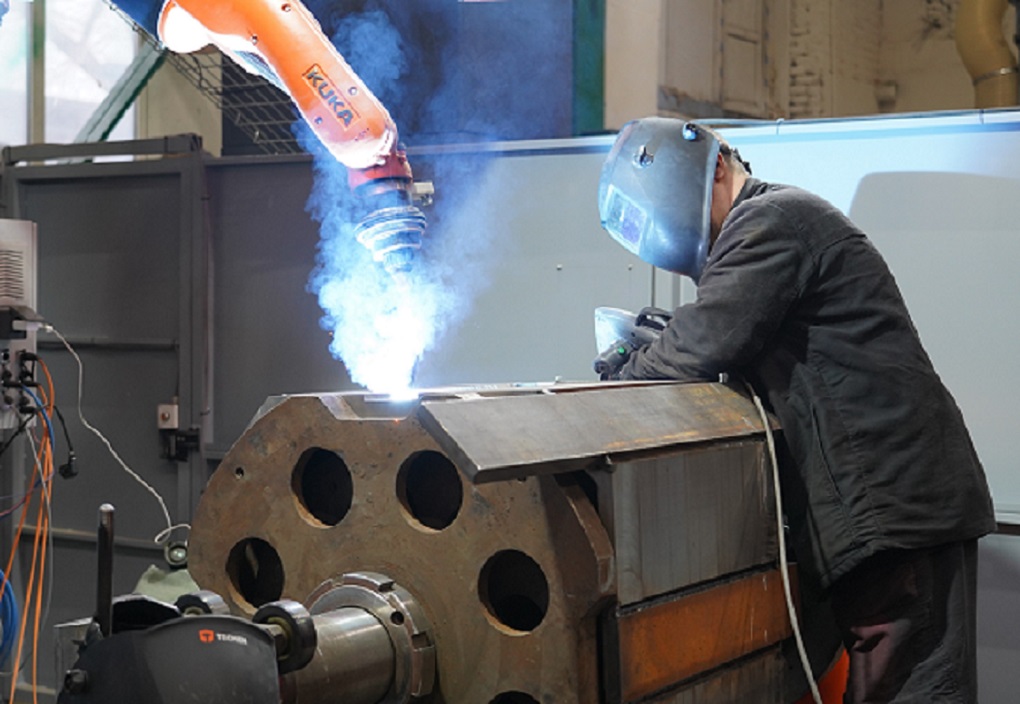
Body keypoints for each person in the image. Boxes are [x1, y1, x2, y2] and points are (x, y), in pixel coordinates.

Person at [597, 117, 996, 704]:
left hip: (898, 509)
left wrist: (623, 377)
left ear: (713, 170)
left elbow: (701, 342)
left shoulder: (770, 221)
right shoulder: (769, 227)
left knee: (910, 689)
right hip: (889, 510)